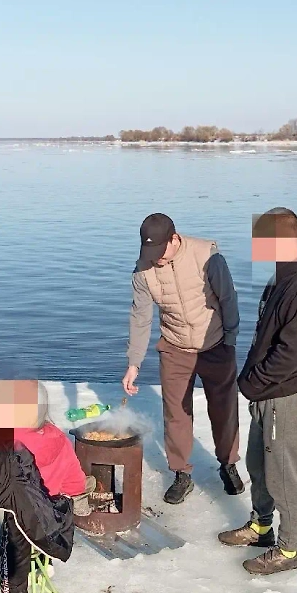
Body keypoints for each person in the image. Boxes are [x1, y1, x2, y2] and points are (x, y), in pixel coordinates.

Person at [218, 208, 297, 575]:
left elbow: (291, 354)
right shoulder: (281, 277)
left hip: (284, 396)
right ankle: (261, 526)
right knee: (259, 466)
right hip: (266, 394)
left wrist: (253, 382)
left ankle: (288, 550)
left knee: (284, 476)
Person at [123, 213, 244, 505]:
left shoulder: (207, 256)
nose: (156, 258)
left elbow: (228, 297)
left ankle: (228, 464)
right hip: (174, 347)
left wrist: (230, 339)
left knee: (224, 409)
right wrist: (134, 363)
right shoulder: (142, 270)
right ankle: (181, 473)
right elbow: (140, 317)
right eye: (149, 251)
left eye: (159, 250)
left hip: (215, 343)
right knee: (175, 413)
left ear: (174, 239)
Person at [10, 381, 97, 515]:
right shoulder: (58, 438)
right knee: (83, 483)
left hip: (13, 504)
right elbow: (74, 480)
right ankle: (80, 507)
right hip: (48, 507)